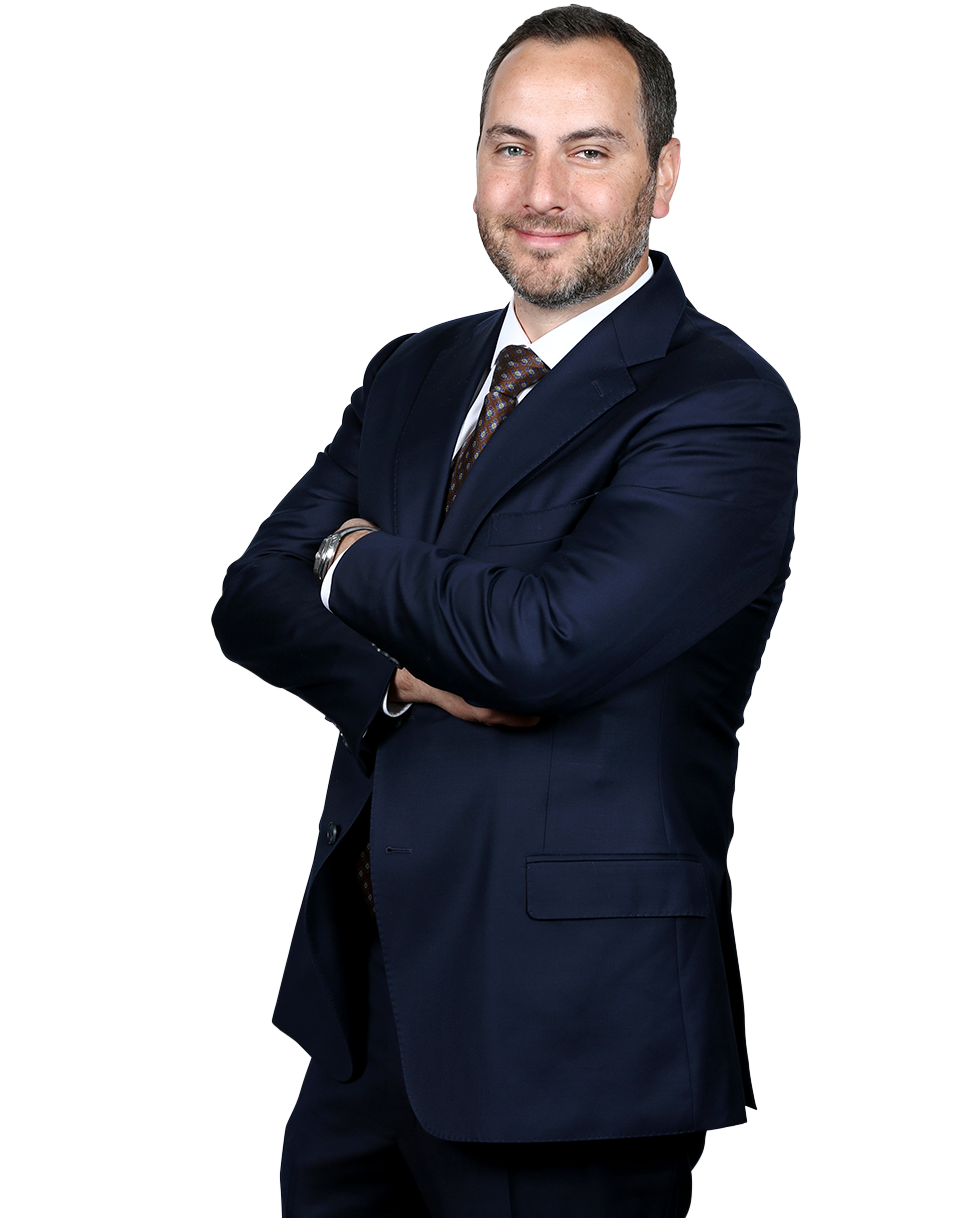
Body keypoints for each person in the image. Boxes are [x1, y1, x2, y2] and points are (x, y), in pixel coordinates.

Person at [212, 6, 800, 1215]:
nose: (541, 191)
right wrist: (394, 675)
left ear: (664, 175)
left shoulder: (722, 403)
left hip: (567, 1031)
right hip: (365, 1011)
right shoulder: (411, 370)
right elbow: (251, 596)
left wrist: (353, 554)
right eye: (509, 146)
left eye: (589, 150)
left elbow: (541, 643)